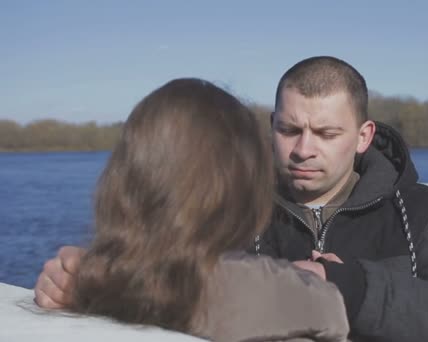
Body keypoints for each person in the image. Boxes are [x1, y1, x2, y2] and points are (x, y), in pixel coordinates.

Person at [36, 57, 428, 341]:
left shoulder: (422, 211)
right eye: (288, 129)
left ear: (363, 137)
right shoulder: (229, 205)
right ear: (271, 126)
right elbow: (170, 273)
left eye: (326, 133)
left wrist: (350, 284)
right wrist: (88, 275)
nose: (303, 149)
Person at [42, 78, 349, 342]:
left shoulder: (97, 278)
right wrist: (325, 277)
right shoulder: (259, 289)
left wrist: (82, 277)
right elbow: (330, 308)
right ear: (240, 185)